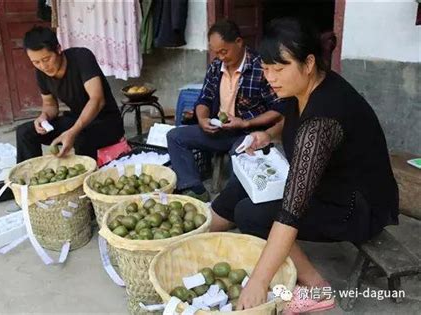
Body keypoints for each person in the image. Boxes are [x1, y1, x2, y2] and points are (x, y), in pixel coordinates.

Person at [210, 18, 399, 313]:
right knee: (243, 182)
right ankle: (202, 232)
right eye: (266, 67)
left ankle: (317, 288)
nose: (270, 77)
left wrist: (259, 280)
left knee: (252, 213)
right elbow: (289, 118)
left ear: (308, 63)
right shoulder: (302, 87)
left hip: (356, 205)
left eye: (279, 68)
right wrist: (266, 134)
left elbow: (291, 212)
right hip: (330, 184)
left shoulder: (323, 119)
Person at [166, 20, 288, 201]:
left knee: (240, 156)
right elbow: (204, 98)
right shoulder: (216, 67)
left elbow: (278, 109)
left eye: (224, 51)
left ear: (239, 42)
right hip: (219, 130)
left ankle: (232, 204)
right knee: (175, 136)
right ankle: (194, 189)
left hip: (247, 132)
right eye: (216, 52)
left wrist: (246, 122)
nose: (220, 57)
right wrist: (202, 119)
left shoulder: (259, 68)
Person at [16, 26, 124, 163]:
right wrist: (44, 117)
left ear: (58, 49)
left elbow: (97, 100)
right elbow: (50, 105)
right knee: (25, 132)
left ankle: (83, 181)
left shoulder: (82, 57)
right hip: (76, 120)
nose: (43, 66)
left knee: (81, 136)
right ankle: (29, 178)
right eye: (36, 62)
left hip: (106, 123)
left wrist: (73, 131)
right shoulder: (41, 73)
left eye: (46, 59)